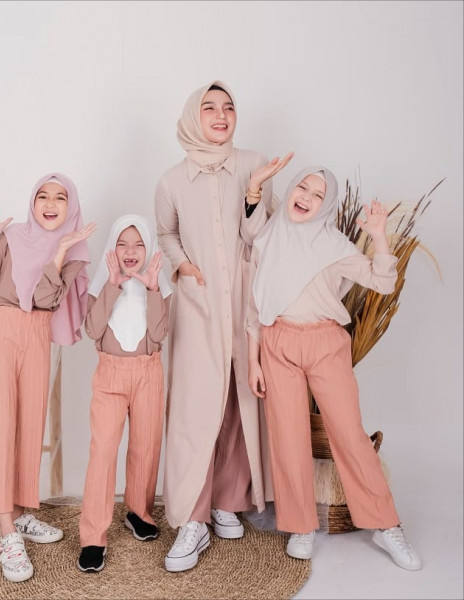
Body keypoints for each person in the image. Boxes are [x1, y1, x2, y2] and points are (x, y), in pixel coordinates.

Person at [246, 165, 422, 570]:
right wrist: (253, 360)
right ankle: (301, 527)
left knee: (349, 434)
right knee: (288, 438)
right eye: (302, 187)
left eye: (318, 195)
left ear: (326, 207)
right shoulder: (269, 235)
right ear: (291, 189)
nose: (306, 197)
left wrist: (379, 236)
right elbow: (255, 305)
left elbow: (382, 283)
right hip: (277, 343)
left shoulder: (336, 246)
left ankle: (386, 524)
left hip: (325, 343)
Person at [154, 79, 293, 572]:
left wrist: (255, 192)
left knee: (238, 396)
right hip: (198, 303)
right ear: (193, 116)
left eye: (228, 107)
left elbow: (261, 235)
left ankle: (227, 499)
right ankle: (192, 519)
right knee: (196, 406)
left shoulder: (255, 164)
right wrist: (183, 266)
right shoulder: (171, 180)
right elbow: (165, 233)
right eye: (209, 107)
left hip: (245, 299)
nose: (220, 115)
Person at [0, 173, 96, 582]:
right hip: (2, 328)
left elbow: (44, 300)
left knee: (30, 425)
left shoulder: (72, 250)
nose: (50, 203)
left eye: (60, 197)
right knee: (1, 424)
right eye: (43, 195)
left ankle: (21, 512)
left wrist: (58, 253)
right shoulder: (11, 236)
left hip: (37, 333)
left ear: (71, 205)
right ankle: (7, 531)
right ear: (33, 201)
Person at [77, 215, 172, 573]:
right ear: (112, 249)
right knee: (103, 450)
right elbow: (92, 328)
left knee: (146, 445)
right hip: (110, 374)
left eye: (138, 244)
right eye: (122, 244)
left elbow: (159, 334)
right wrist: (113, 285)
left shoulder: (156, 284)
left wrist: (153, 290)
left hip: (148, 372)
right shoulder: (103, 282)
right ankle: (93, 536)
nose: (130, 251)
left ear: (149, 249)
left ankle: (139, 512)